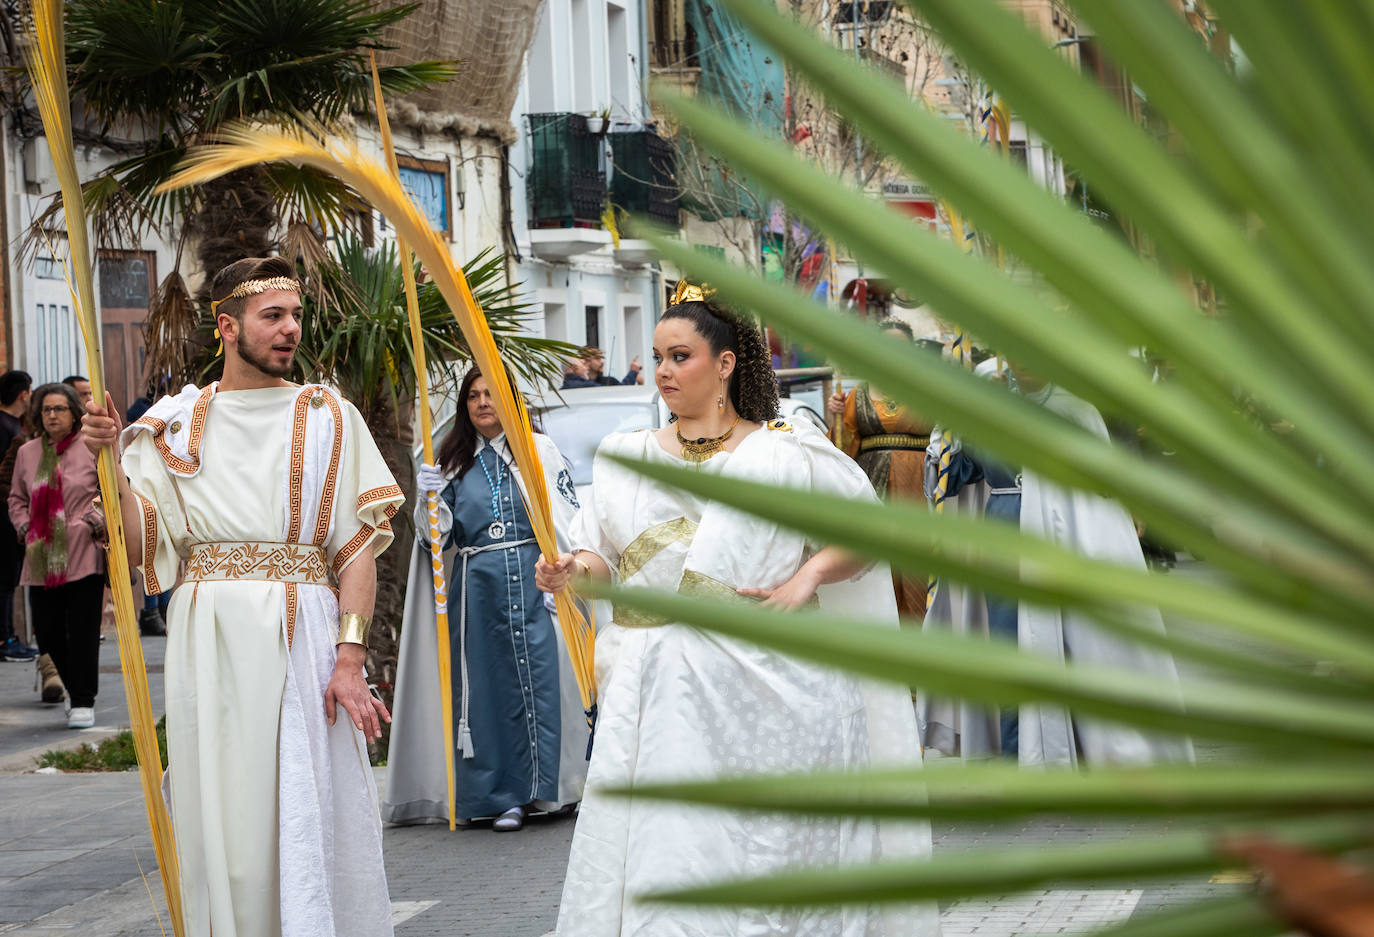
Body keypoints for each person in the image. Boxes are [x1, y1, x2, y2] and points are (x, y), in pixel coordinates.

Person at [535, 284, 940, 937]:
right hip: (660, 701)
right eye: (658, 356)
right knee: (671, 868)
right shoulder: (626, 457)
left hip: (774, 695)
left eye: (681, 355)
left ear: (725, 364)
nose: (663, 370)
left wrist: (806, 577)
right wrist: (570, 572)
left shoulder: (786, 451)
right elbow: (601, 556)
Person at [81, 256, 404, 937]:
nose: (290, 329)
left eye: (295, 314)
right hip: (209, 636)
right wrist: (109, 460)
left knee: (303, 807)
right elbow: (141, 542)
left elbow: (355, 550)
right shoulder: (172, 425)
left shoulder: (329, 417)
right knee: (222, 812)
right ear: (228, 326)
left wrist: (350, 658)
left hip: (304, 632)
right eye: (273, 316)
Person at [920, 362, 1194, 767]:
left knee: (1075, 640)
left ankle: (1081, 749)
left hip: (1069, 537)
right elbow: (953, 476)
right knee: (1007, 643)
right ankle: (1014, 754)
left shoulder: (1077, 410)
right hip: (1003, 533)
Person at [384, 367, 588, 831]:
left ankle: (544, 792)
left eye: (491, 394)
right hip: (477, 592)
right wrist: (428, 499)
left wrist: (565, 572)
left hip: (536, 584)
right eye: (473, 396)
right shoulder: (454, 460)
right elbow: (437, 541)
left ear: (510, 400)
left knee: (542, 682)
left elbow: (567, 520)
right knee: (485, 692)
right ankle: (499, 797)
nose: (482, 403)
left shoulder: (538, 452)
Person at [9, 383, 105, 727]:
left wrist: (94, 521)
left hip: (83, 552)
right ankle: (72, 685)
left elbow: (109, 492)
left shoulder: (91, 448)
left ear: (74, 413)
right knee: (47, 632)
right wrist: (23, 525)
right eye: (46, 410)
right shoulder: (28, 452)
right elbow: (17, 498)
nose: (52, 415)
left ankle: (83, 700)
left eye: (59, 409)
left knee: (82, 631)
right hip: (40, 554)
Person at [826, 320, 935, 618]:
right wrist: (834, 414)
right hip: (871, 483)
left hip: (918, 486)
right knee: (875, 556)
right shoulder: (855, 395)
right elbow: (841, 447)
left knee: (917, 558)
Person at [0, 370, 36, 662]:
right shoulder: (4, 426)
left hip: (13, 514)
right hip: (4, 516)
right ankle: (6, 638)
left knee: (10, 578)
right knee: (4, 578)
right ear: (24, 393)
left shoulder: (17, 425)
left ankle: (11, 635)